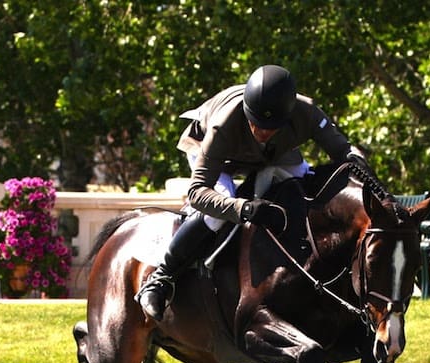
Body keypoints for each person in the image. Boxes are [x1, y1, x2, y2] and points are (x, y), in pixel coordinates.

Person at [135, 65, 374, 321]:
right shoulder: (222, 125)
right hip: (215, 154)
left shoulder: (307, 112)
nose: (260, 131)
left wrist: (358, 162)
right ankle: (161, 278)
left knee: (304, 182)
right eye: (255, 123)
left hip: (271, 155)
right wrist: (244, 209)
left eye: (269, 127)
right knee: (218, 209)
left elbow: (344, 150)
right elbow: (197, 192)